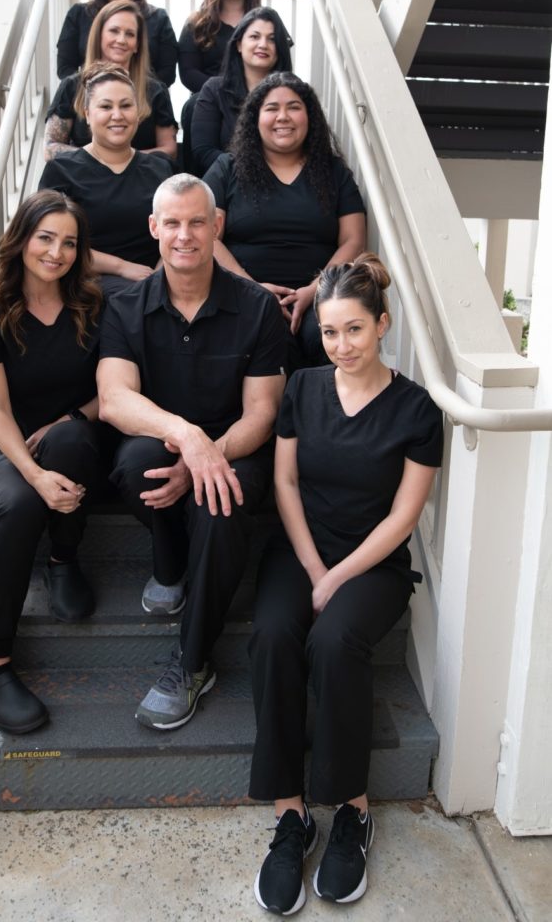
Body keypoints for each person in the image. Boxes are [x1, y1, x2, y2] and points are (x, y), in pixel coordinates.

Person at [249, 253, 444, 914]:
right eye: (330, 333)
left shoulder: (416, 410)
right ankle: (290, 815)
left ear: (382, 324)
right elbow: (283, 481)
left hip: (373, 563)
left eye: (354, 330)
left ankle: (351, 811)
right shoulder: (302, 388)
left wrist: (339, 575)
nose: (341, 346)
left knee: (333, 643)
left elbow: (403, 517)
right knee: (275, 634)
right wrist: (310, 567)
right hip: (303, 549)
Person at [97, 174, 287, 730]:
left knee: (219, 502)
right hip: (173, 441)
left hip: (239, 449)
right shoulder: (127, 306)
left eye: (197, 222)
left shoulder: (256, 308)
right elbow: (113, 399)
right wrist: (188, 438)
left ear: (217, 227)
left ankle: (193, 660)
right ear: (155, 229)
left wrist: (211, 454)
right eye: (173, 223)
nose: (186, 234)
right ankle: (172, 561)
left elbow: (262, 413)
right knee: (135, 465)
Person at [0, 190, 111, 735]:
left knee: (72, 440)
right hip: (12, 451)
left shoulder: (94, 307)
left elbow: (113, 390)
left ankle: (63, 559)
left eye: (69, 242)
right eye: (45, 237)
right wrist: (32, 469)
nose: (56, 252)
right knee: (22, 506)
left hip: (77, 442)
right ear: (22, 238)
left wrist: (71, 416)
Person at [204, 72, 366, 369]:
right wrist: (253, 288)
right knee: (272, 340)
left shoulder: (333, 172)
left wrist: (317, 290)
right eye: (271, 108)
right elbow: (207, 236)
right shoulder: (227, 168)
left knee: (327, 339)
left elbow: (353, 239)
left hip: (323, 295)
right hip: (243, 292)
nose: (283, 117)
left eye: (293, 107)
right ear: (255, 118)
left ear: (310, 117)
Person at [39, 65, 175, 295]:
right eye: (105, 106)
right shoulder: (62, 171)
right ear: (87, 114)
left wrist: (162, 274)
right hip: (90, 282)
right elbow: (54, 243)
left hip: (157, 280)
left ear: (138, 112)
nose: (117, 115)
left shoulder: (160, 168)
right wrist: (122, 268)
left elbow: (177, 230)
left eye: (126, 105)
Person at [45, 1, 177, 162]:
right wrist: (101, 159)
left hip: (138, 178)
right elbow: (50, 146)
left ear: (137, 45)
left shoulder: (155, 90)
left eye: (130, 34)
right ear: (99, 36)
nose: (121, 40)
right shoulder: (72, 86)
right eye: (114, 31)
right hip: (81, 177)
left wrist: (124, 160)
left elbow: (169, 149)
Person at [178, 0, 261, 169]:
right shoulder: (198, 22)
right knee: (194, 105)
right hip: (209, 97)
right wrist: (225, 90)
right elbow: (188, 73)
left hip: (254, 93)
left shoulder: (262, 24)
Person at [190, 7, 292, 175]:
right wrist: (250, 172)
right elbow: (204, 151)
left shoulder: (293, 92)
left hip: (282, 181)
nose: (263, 45)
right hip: (229, 182)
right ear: (238, 44)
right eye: (254, 36)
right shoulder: (215, 89)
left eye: (272, 39)